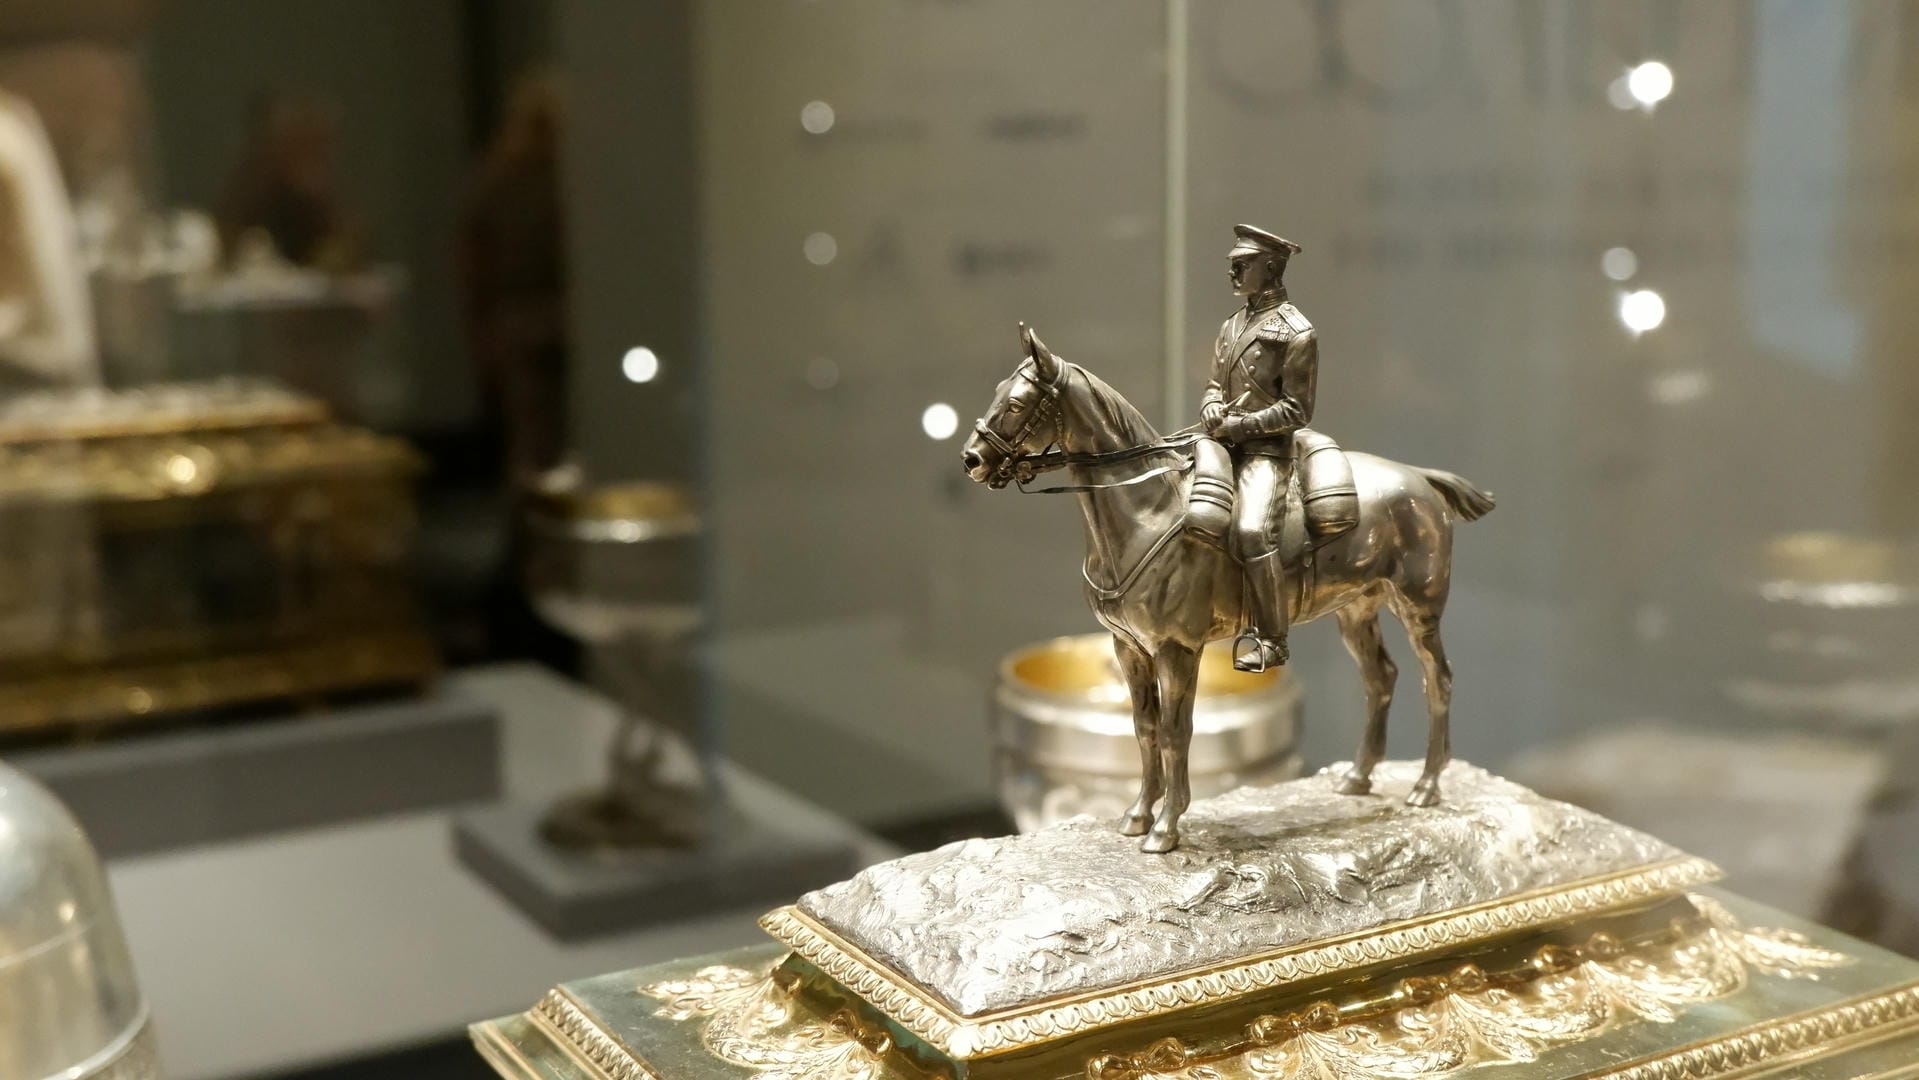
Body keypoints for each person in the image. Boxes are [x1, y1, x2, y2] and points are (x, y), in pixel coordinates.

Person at [1200, 223, 1321, 672]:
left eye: (1242, 265)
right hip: (1223, 441)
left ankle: (1272, 638)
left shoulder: (1296, 331)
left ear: (1270, 267)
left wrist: (1242, 425)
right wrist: (1212, 406)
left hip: (1265, 452)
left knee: (1252, 531)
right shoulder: (1232, 325)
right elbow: (1215, 384)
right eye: (1233, 264)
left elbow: (1297, 410)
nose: (1233, 272)